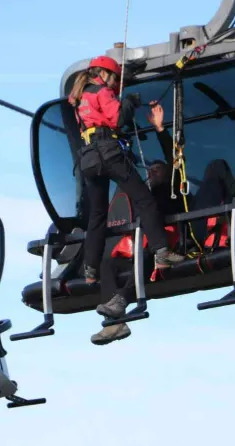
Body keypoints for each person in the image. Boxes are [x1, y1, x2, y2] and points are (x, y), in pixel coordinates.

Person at [68, 56, 185, 286]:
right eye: (114, 78)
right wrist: (131, 101)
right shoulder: (102, 92)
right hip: (108, 153)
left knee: (97, 215)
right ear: (104, 74)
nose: (114, 83)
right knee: (145, 199)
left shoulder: (80, 97)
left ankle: (90, 270)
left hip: (89, 159)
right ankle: (161, 252)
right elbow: (118, 119)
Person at [90, 102, 193, 345]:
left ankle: (122, 300)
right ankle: (114, 324)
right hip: (140, 244)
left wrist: (160, 130)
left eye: (158, 170)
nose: (153, 172)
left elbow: (175, 157)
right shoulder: (142, 193)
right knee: (107, 264)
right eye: (152, 169)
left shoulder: (173, 188)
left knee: (148, 256)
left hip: (166, 243)